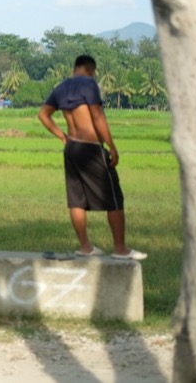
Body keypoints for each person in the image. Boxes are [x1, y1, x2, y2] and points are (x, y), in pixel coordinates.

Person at [38, 55, 147, 260]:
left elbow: (43, 114)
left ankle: (85, 247)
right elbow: (97, 116)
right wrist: (112, 147)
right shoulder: (89, 84)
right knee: (114, 198)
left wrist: (62, 135)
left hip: (71, 147)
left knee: (76, 199)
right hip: (91, 148)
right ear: (91, 70)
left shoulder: (61, 87)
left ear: (75, 68)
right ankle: (121, 249)